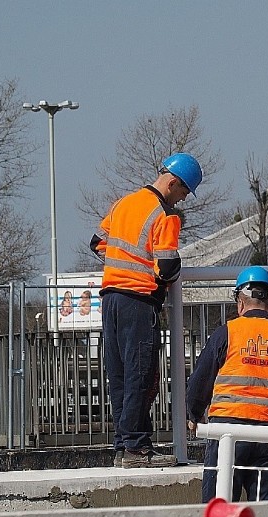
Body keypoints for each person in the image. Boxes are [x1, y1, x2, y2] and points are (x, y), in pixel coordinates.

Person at [90, 152, 203, 468]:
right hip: (138, 302)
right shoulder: (165, 215)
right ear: (173, 181)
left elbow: (97, 244)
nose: (181, 199)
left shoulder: (123, 203)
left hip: (111, 298)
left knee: (121, 377)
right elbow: (167, 267)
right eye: (183, 192)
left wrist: (124, 268)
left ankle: (123, 447)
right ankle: (137, 449)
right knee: (141, 376)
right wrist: (152, 271)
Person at [186, 266, 268, 502]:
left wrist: (193, 415)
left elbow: (199, 381)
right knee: (266, 515)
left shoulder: (226, 333)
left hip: (228, 433)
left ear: (240, 300)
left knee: (219, 509)